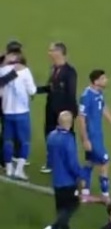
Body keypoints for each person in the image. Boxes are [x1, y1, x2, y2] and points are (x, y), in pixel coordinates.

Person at [78, 70, 111, 204]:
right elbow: (81, 119)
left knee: (90, 162)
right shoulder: (86, 96)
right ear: (96, 81)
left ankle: (85, 193)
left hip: (98, 135)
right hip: (92, 136)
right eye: (103, 78)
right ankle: (105, 195)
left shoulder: (99, 93)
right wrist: (85, 139)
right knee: (105, 162)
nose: (106, 80)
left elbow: (104, 109)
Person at [43, 111, 84, 229]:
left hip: (56, 179)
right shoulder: (68, 139)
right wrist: (80, 175)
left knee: (62, 208)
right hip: (68, 180)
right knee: (74, 204)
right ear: (70, 123)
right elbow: (72, 162)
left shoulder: (51, 135)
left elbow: (49, 158)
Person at [37, 42, 78, 174]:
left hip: (63, 112)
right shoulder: (54, 69)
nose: (49, 53)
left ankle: (69, 164)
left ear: (59, 52)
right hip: (50, 108)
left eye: (51, 50)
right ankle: (51, 162)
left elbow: (71, 93)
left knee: (67, 138)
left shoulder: (70, 72)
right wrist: (35, 90)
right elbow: (51, 88)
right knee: (49, 135)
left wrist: (71, 112)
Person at [0, 52, 36, 179]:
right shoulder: (25, 71)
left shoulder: (2, 71)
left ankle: (9, 168)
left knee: (8, 140)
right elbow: (32, 90)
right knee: (24, 141)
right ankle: (19, 170)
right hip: (22, 113)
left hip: (7, 112)